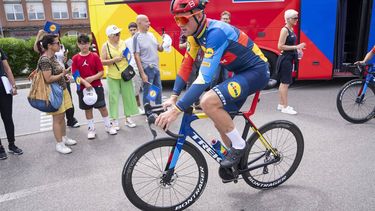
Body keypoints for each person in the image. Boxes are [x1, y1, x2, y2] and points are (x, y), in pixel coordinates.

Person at [155, 0, 270, 168]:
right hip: (240, 73)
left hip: (257, 71)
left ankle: (239, 146)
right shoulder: (195, 36)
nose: (179, 25)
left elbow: (204, 78)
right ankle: (237, 162)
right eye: (176, 20)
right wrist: (173, 96)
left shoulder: (216, 33)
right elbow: (187, 64)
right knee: (219, 121)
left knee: (208, 101)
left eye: (183, 19)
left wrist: (177, 110)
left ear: (199, 15)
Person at [72, 34, 117, 139]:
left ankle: (108, 126)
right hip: (83, 89)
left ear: (89, 44)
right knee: (88, 109)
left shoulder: (95, 56)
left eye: (86, 43)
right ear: (78, 44)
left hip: (96, 87)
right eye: (81, 44)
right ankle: (91, 129)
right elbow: (75, 76)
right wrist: (85, 82)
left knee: (102, 107)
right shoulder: (75, 58)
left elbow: (101, 72)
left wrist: (92, 78)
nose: (84, 46)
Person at [38, 34, 77, 154]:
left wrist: (65, 76)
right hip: (55, 92)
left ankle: (64, 138)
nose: (59, 45)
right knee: (57, 118)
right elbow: (48, 79)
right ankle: (59, 144)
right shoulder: (44, 59)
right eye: (56, 43)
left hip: (62, 88)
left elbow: (57, 72)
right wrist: (63, 73)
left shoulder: (53, 57)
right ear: (49, 45)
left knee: (62, 116)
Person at [34, 29, 80, 128]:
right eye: (53, 35)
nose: (56, 37)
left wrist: (66, 65)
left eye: (57, 34)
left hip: (62, 78)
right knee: (58, 113)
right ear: (49, 45)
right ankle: (60, 139)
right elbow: (48, 78)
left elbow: (65, 61)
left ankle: (70, 121)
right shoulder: (46, 56)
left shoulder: (59, 49)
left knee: (67, 105)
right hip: (55, 83)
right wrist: (39, 35)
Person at [101, 24, 139, 130]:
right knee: (113, 98)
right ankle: (114, 120)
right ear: (110, 36)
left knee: (128, 96)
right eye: (117, 34)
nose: (119, 35)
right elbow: (102, 61)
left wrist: (125, 57)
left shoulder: (123, 42)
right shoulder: (105, 45)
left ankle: (128, 118)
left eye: (119, 33)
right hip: (112, 75)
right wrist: (114, 60)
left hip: (125, 74)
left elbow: (129, 55)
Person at [276, 9, 306, 115]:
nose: (297, 19)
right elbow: (280, 46)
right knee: (285, 83)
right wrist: (296, 46)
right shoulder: (284, 30)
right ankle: (285, 107)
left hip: (289, 58)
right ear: (288, 19)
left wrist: (298, 50)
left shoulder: (291, 29)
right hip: (285, 60)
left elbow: (289, 45)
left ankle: (281, 104)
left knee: (284, 83)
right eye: (295, 18)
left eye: (297, 17)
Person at [133, 14, 164, 106]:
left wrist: (164, 43)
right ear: (139, 23)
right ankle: (148, 112)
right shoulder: (136, 37)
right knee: (147, 90)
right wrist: (142, 73)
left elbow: (160, 49)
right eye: (146, 21)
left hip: (155, 67)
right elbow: (136, 56)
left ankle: (158, 108)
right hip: (147, 68)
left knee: (156, 89)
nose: (149, 23)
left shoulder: (151, 35)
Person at [0, 48, 23, 160]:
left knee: (7, 118)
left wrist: (13, 85)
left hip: (3, 89)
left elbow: (7, 68)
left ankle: (12, 144)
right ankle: (0, 148)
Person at [125, 22, 144, 114]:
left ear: (137, 29)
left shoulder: (142, 39)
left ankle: (149, 106)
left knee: (147, 88)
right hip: (133, 67)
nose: (133, 31)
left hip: (144, 66)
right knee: (136, 88)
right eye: (131, 30)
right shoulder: (127, 42)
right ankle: (138, 107)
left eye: (134, 30)